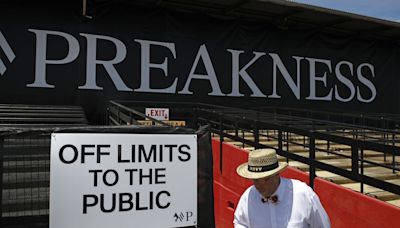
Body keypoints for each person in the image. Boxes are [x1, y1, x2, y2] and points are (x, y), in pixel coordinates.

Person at [234, 148, 331, 228]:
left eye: (266, 179)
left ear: (277, 174)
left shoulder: (304, 194)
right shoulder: (248, 197)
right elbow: (240, 223)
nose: (260, 185)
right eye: (256, 180)